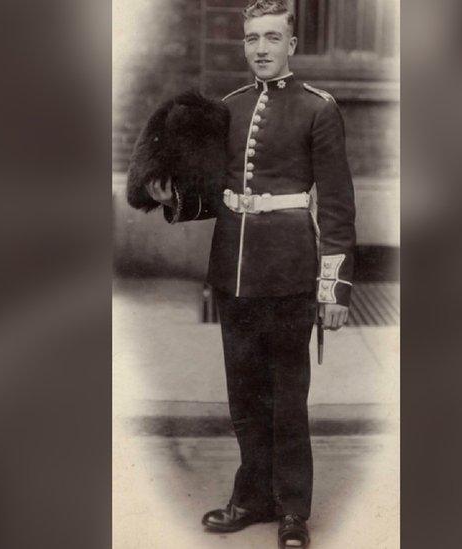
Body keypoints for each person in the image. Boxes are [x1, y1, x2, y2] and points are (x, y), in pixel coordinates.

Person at [144, 1, 355, 547]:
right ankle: (252, 496)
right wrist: (172, 199)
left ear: (291, 45)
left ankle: (292, 509)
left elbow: (335, 206)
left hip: (289, 272)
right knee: (243, 396)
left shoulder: (318, 109)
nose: (260, 48)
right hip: (233, 270)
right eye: (251, 39)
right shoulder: (229, 107)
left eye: (271, 37)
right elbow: (214, 192)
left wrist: (333, 289)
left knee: (287, 397)